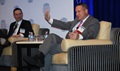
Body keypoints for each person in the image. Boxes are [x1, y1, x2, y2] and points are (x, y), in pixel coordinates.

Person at [23, 3, 100, 71]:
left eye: (79, 11)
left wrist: (79, 36)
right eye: (76, 12)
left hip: (76, 44)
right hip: (66, 42)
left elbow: (92, 34)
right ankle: (40, 57)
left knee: (48, 48)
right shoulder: (77, 20)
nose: (77, 14)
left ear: (86, 11)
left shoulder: (93, 21)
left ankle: (41, 62)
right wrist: (50, 20)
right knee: (52, 36)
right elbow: (65, 25)